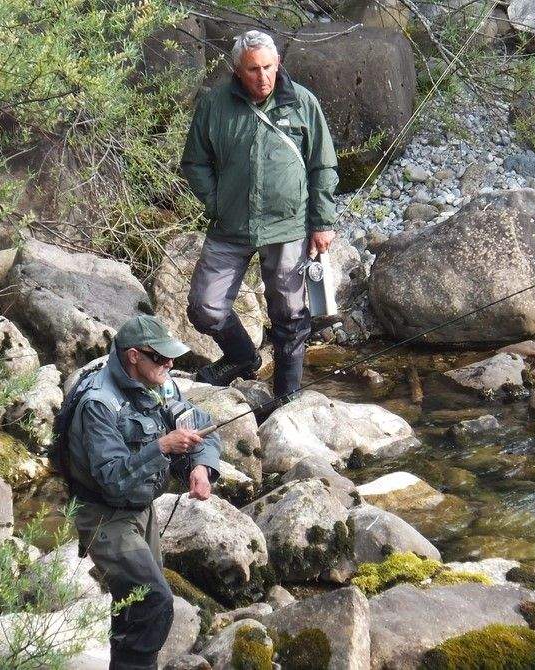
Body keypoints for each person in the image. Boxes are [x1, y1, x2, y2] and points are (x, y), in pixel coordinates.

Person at [181, 29, 339, 400]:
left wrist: (322, 223)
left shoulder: (302, 102)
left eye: (268, 67)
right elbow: (195, 162)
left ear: (278, 64)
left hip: (288, 226)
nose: (263, 77)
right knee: (205, 308)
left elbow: (324, 166)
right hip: (230, 225)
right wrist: (216, 203)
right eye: (253, 69)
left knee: (289, 314)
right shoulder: (215, 105)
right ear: (237, 70)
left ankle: (287, 394)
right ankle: (241, 358)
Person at [65, 314, 221, 670]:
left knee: (132, 604)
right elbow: (112, 478)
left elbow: (198, 424)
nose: (170, 364)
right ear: (134, 356)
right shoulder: (98, 405)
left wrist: (200, 467)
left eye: (171, 357)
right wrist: (162, 447)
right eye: (161, 357)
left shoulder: (162, 385)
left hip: (141, 509)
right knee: (152, 600)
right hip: (102, 515)